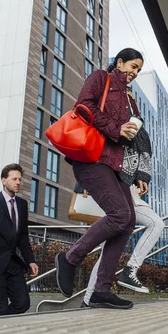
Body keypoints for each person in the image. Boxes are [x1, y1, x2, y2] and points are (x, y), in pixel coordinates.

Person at [55, 48, 144, 309]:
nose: (135, 73)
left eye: (138, 70)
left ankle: (101, 290)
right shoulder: (101, 79)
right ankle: (71, 257)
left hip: (116, 165)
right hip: (92, 159)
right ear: (119, 63)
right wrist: (117, 128)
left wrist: (139, 172)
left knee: (126, 222)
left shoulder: (130, 99)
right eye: (132, 66)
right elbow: (84, 106)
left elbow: (136, 137)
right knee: (119, 215)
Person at [0, 164, 39, 316]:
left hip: (13, 264)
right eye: (14, 179)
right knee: (0, 308)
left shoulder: (22, 204)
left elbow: (23, 235)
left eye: (20, 179)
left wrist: (30, 260)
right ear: (4, 180)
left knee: (23, 304)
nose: (18, 182)